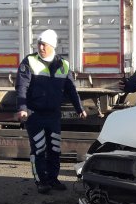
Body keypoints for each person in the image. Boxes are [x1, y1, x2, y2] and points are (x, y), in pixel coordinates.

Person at [16, 29, 86, 194]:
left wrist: (79, 108)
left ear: (52, 46)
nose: (40, 47)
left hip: (53, 115)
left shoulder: (63, 64)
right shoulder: (29, 62)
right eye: (39, 44)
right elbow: (21, 88)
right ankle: (41, 181)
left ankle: (53, 179)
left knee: (54, 148)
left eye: (44, 44)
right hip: (34, 114)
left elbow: (71, 89)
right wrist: (22, 109)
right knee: (39, 149)